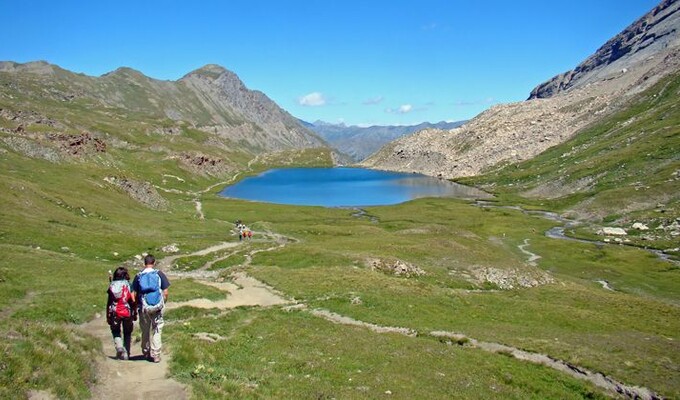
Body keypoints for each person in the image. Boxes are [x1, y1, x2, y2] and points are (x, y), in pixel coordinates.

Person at [131, 254, 170, 363]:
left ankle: (146, 351)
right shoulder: (159, 274)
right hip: (157, 307)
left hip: (143, 307)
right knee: (157, 329)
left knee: (145, 330)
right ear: (154, 262)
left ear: (144, 263)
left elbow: (133, 294)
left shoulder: (138, 276)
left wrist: (136, 305)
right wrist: (163, 303)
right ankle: (156, 354)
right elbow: (166, 292)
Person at [106, 267, 135, 360]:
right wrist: (134, 313)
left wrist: (108, 314)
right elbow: (132, 300)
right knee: (127, 332)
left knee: (115, 331)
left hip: (115, 312)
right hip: (127, 311)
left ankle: (119, 346)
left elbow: (109, 302)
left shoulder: (112, 286)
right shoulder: (128, 285)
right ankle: (126, 354)